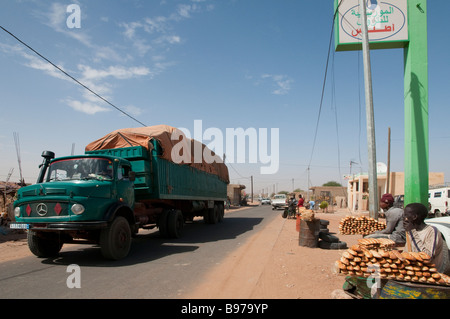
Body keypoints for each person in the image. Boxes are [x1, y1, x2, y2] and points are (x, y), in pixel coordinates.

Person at [403, 202, 448, 274]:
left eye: (406, 215)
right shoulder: (411, 231)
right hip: (414, 271)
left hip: (429, 273)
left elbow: (427, 257)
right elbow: (407, 252)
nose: (404, 218)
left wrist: (412, 232)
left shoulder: (432, 231)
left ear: (414, 217)